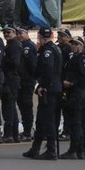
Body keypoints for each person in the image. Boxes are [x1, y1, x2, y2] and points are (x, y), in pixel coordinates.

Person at [23, 27, 62, 160]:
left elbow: (48, 69)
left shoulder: (48, 50)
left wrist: (43, 85)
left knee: (48, 119)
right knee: (41, 119)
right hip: (53, 87)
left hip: (49, 89)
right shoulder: (53, 48)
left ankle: (51, 150)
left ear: (40, 36)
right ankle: (35, 148)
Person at [59, 37, 85, 159]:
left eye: (76, 44)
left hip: (77, 93)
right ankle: (78, 150)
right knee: (73, 123)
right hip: (70, 94)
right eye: (72, 44)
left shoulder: (82, 59)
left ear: (81, 46)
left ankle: (75, 150)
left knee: (76, 123)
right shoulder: (72, 58)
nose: (73, 46)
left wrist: (72, 83)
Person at [0, 26, 22, 143]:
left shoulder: (14, 45)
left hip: (10, 79)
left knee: (8, 107)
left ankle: (9, 134)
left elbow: (15, 63)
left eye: (8, 32)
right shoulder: (10, 44)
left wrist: (3, 61)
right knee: (10, 107)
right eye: (4, 32)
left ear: (14, 32)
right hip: (10, 79)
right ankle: (13, 134)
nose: (6, 34)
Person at [17, 27, 38, 141]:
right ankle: (26, 130)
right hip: (22, 81)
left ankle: (27, 132)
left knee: (26, 107)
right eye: (17, 33)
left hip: (27, 81)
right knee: (22, 107)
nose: (19, 35)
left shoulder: (29, 46)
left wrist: (31, 78)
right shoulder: (21, 46)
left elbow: (32, 66)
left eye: (21, 33)